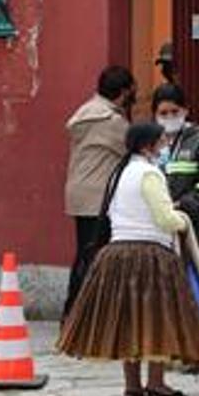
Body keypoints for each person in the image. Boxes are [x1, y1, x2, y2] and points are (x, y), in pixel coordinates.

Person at [57, 122, 199, 396]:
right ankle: (156, 383)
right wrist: (183, 220)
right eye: (162, 142)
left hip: (117, 255)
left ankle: (132, 386)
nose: (166, 146)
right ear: (147, 146)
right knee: (157, 319)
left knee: (128, 320)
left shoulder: (121, 172)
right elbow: (164, 218)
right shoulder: (150, 174)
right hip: (150, 255)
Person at [152, 82, 199, 372]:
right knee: (165, 288)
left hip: (196, 228)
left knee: (197, 285)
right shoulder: (153, 143)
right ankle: (170, 348)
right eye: (163, 112)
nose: (169, 116)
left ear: (185, 110)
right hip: (160, 227)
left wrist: (183, 207)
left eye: (174, 111)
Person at [62, 65, 135, 321]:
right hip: (98, 196)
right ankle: (79, 315)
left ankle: (74, 313)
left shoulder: (84, 113)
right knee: (95, 257)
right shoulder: (111, 122)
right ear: (124, 92)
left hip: (79, 193)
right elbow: (133, 148)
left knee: (84, 253)